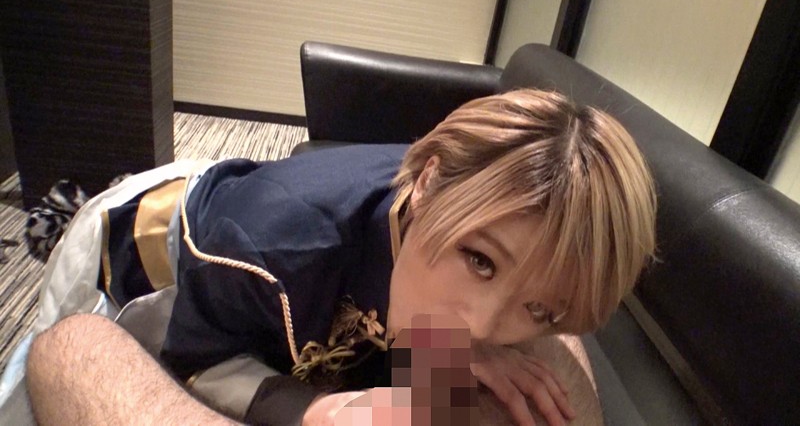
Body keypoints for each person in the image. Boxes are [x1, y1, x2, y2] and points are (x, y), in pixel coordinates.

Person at [24, 89, 656, 425]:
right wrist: (309, 409)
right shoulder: (270, 247)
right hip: (150, 261)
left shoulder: (458, 225)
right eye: (481, 261)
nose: (484, 326)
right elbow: (194, 357)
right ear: (427, 185)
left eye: (538, 309)